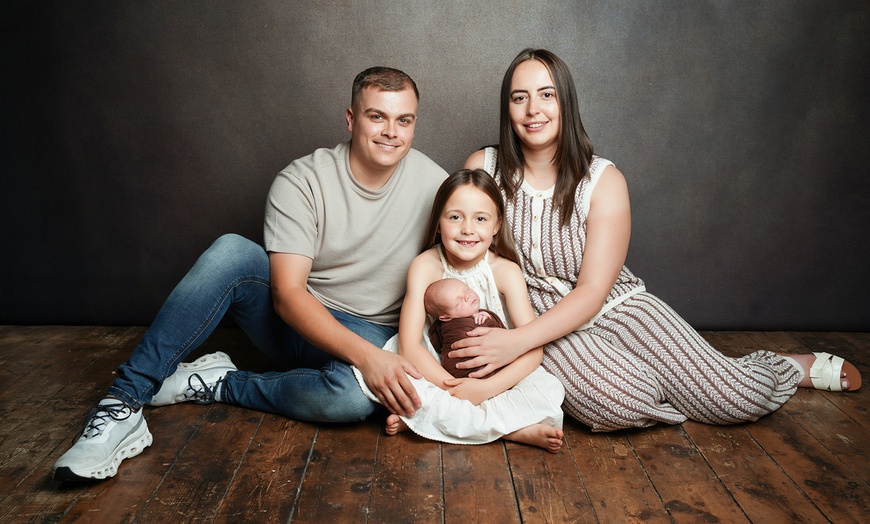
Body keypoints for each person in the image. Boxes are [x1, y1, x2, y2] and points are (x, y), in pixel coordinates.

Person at [52, 67, 448, 481]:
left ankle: (222, 383)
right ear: (351, 119)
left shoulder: (435, 185)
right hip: (294, 322)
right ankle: (123, 404)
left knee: (349, 403)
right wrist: (369, 360)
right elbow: (288, 295)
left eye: (404, 120)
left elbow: (473, 259)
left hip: (375, 329)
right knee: (231, 253)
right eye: (376, 117)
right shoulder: (303, 181)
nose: (391, 132)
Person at [456, 48, 862, 432]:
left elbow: (593, 292)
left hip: (611, 306)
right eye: (519, 97)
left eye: (547, 95)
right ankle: (667, 384)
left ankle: (781, 367)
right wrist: (514, 335)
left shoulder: (603, 180)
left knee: (733, 398)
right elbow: (457, 253)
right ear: (507, 109)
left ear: (566, 102)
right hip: (533, 318)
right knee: (621, 403)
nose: (533, 110)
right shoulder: (484, 169)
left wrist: (515, 344)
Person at [356, 169, 564, 453]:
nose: (467, 229)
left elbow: (533, 349)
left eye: (480, 218)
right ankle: (513, 431)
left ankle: (424, 420)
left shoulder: (505, 271)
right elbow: (409, 345)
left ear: (496, 225)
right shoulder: (426, 266)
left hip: (497, 372)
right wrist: (451, 387)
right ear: (439, 223)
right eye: (455, 217)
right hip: (436, 368)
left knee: (547, 389)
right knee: (407, 384)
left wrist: (483, 390)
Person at [424, 278, 504, 379]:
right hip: (464, 369)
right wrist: (490, 320)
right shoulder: (451, 327)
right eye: (458, 302)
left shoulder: (482, 315)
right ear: (446, 318)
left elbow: (502, 339)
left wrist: (489, 316)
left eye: (466, 289)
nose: (467, 296)